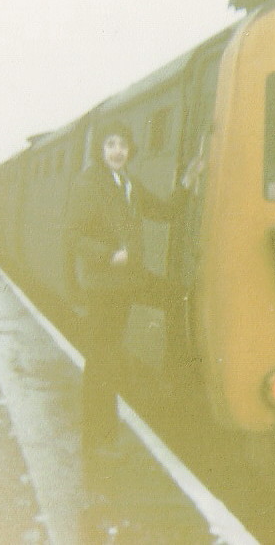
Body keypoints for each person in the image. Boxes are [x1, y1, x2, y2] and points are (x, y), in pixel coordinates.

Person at [63, 119, 184, 454]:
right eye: (111, 144)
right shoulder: (90, 183)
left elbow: (164, 211)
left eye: (123, 145)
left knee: (177, 297)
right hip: (104, 285)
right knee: (102, 359)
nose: (117, 151)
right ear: (101, 150)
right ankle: (97, 437)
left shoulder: (127, 183)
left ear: (130, 150)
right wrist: (108, 255)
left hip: (126, 281)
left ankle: (105, 432)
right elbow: (74, 236)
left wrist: (187, 183)